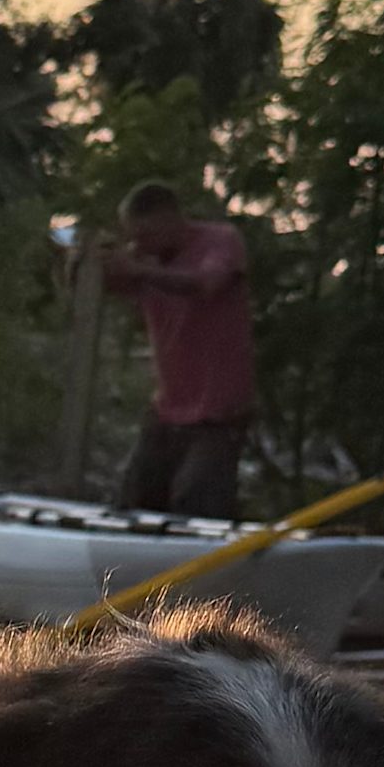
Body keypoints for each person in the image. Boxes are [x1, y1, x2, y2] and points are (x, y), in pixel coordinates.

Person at [104, 181, 254, 521]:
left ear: (170, 220)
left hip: (219, 410)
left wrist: (141, 270)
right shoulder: (147, 259)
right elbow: (109, 283)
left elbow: (205, 284)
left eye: (146, 234)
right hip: (169, 407)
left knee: (197, 496)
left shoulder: (220, 242)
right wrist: (91, 264)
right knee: (137, 497)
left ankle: (210, 569)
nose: (140, 244)